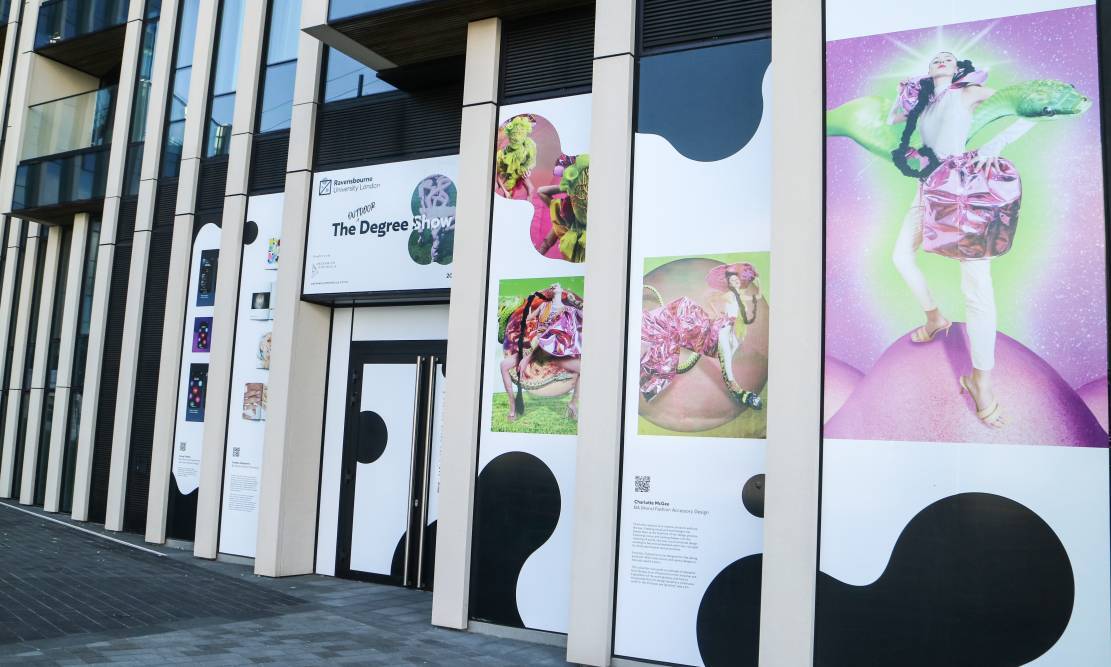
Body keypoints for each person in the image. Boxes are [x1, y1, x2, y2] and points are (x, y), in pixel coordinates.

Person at [887, 52, 1034, 429]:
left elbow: (1026, 103)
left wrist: (995, 145)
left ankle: (981, 381)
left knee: (977, 285)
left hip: (961, 191)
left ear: (958, 68)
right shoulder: (921, 101)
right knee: (901, 256)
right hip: (926, 189)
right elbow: (893, 121)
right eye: (936, 58)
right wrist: (908, 94)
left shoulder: (966, 92)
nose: (941, 60)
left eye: (948, 58)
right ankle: (935, 317)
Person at [640, 262, 763, 409]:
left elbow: (756, 296)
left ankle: (734, 386)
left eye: (737, 280)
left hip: (725, 332)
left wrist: (754, 278)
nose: (734, 282)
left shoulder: (742, 299)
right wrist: (717, 316)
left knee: (728, 341)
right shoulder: (726, 296)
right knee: (688, 313)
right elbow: (712, 301)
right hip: (717, 329)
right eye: (732, 279)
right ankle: (734, 386)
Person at [498, 284, 584, 422]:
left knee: (583, 368)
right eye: (553, 286)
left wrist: (575, 303)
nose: (556, 286)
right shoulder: (543, 306)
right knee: (504, 365)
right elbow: (527, 318)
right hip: (534, 347)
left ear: (561, 291)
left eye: (558, 286)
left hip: (551, 352)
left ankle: (573, 404)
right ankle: (513, 405)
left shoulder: (568, 311)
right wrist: (532, 301)